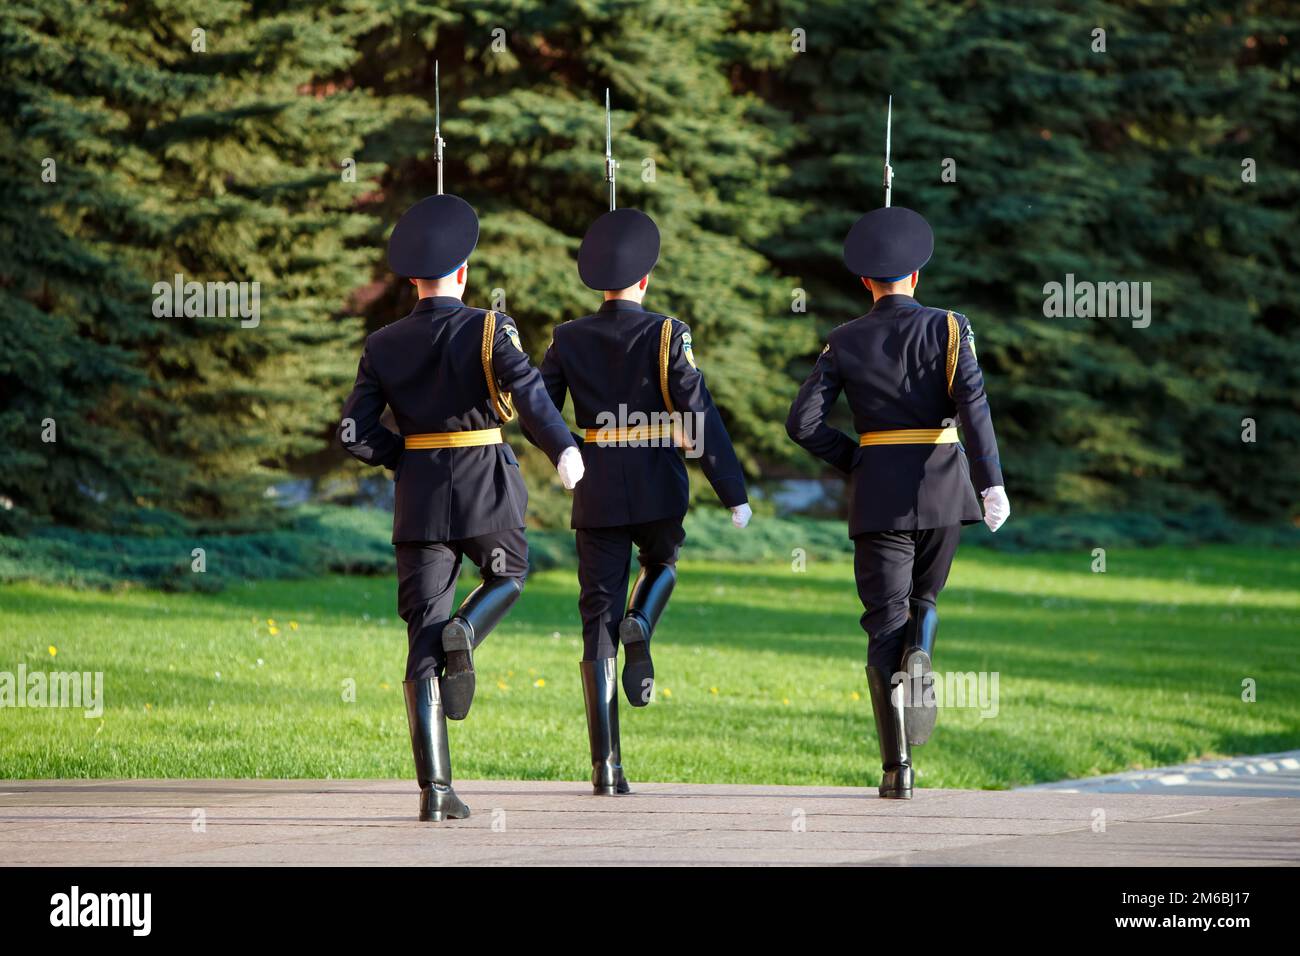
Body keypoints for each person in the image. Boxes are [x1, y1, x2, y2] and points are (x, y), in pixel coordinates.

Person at [338, 192, 585, 821]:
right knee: (507, 574)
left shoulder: (383, 342)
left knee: (421, 640)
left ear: (415, 279)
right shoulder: (488, 326)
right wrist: (562, 447)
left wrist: (405, 456)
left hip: (420, 500)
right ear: (464, 272)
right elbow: (528, 391)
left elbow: (354, 432)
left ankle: (437, 792)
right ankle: (468, 631)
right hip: (486, 486)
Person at [785, 205, 1010, 799]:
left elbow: (802, 423)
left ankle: (896, 771)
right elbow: (974, 408)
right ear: (917, 275)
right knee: (925, 599)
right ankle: (923, 657)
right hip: (943, 487)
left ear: (866, 282)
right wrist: (991, 483)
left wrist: (855, 458)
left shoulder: (843, 339)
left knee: (883, 624)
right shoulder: (949, 327)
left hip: (878, 494)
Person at [526, 206, 752, 795]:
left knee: (593, 618)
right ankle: (642, 622)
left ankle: (607, 768)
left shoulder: (568, 337)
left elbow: (537, 408)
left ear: (599, 285)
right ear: (645, 281)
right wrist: (731, 489)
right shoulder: (665, 333)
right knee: (661, 564)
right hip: (656, 479)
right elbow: (697, 410)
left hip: (595, 483)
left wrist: (569, 449)